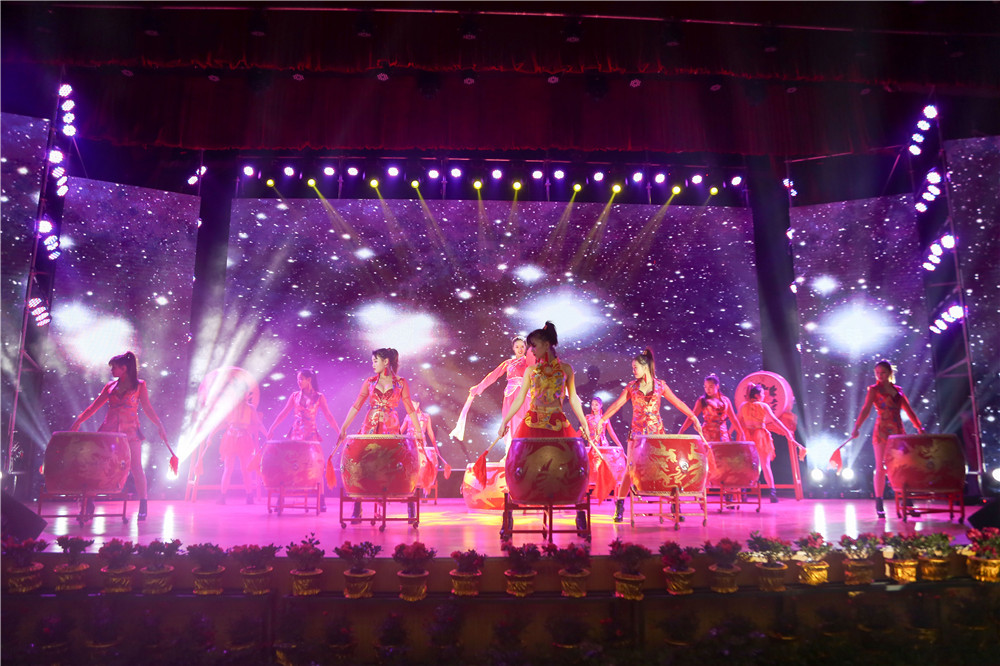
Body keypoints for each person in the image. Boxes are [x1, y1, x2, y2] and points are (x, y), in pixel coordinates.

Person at [498, 322, 594, 531]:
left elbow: (573, 398)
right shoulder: (531, 371)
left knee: (568, 465)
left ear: (547, 344)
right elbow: (520, 398)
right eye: (530, 346)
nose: (531, 350)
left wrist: (585, 424)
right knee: (523, 465)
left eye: (534, 345)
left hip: (557, 422)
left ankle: (578, 510)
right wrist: (505, 421)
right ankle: (512, 509)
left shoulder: (565, 369)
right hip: (534, 422)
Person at [599, 348, 704, 522]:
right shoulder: (632, 387)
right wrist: (602, 420)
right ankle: (620, 505)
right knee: (630, 470)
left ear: (645, 367)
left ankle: (674, 505)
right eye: (633, 368)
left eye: (635, 367)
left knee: (667, 469)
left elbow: (677, 402)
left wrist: (693, 417)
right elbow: (617, 404)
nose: (633, 371)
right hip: (637, 435)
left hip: (656, 435)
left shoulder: (660, 385)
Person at [70, 351, 170, 520]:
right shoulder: (110, 387)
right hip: (108, 432)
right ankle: (89, 502)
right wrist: (78, 421)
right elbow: (93, 407)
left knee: (136, 467)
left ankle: (143, 504)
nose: (112, 370)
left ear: (124, 368)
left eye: (114, 367)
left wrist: (159, 424)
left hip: (130, 432)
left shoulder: (139, 386)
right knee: (98, 466)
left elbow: (147, 408)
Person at [337, 348, 424, 521]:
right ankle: (358, 505)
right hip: (370, 425)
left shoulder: (401, 383)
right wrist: (344, 427)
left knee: (396, 461)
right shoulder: (369, 382)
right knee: (363, 461)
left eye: (375, 361)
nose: (373, 364)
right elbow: (356, 405)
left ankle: (409, 503)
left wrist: (419, 431)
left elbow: (409, 408)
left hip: (391, 426)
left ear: (386, 362)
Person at [850, 359, 924, 518]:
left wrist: (919, 426)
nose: (880, 376)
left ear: (890, 373)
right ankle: (879, 502)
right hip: (882, 430)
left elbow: (908, 410)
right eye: (877, 373)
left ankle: (907, 501)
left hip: (897, 430)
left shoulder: (898, 390)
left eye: (883, 373)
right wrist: (857, 427)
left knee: (902, 466)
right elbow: (866, 409)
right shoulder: (874, 390)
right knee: (880, 466)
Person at [267, 369, 340, 511]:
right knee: (288, 466)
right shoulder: (294, 396)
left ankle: (321, 500)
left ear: (309, 380)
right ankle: (280, 498)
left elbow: (329, 416)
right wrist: (272, 428)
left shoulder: (319, 397)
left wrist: (339, 431)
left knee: (317, 467)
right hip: (295, 436)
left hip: (311, 437)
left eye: (301, 379)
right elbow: (283, 413)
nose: (298, 382)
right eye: (298, 379)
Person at [736, 383, 804, 503]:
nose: (764, 396)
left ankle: (744, 492)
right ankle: (772, 493)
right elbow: (775, 420)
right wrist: (786, 431)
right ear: (757, 395)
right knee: (765, 465)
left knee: (747, 465)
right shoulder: (763, 406)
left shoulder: (743, 406)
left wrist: (729, 433)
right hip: (760, 436)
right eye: (762, 393)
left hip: (748, 437)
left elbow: (737, 421)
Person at [468, 336, 530, 452]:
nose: (520, 349)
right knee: (509, 421)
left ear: (526, 348)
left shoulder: (530, 362)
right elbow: (493, 376)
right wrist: (479, 387)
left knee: (525, 421)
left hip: (525, 396)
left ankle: (526, 451)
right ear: (513, 348)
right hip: (510, 396)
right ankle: (511, 451)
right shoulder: (508, 363)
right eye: (517, 347)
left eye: (522, 346)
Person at [211, 385, 267, 505]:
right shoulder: (230, 407)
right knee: (228, 468)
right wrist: (211, 435)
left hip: (244, 438)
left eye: (245, 393)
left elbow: (258, 424)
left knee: (246, 469)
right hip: (230, 438)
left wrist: (267, 434)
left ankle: (249, 495)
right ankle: (223, 495)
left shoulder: (250, 408)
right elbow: (220, 423)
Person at [401, 397, 451, 501]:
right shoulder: (408, 416)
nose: (411, 406)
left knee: (423, 466)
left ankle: (424, 489)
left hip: (421, 443)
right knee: (411, 467)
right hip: (410, 444)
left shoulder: (426, 416)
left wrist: (434, 444)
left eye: (413, 403)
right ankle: (409, 491)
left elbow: (430, 432)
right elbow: (401, 430)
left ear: (418, 403)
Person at [679, 374, 745, 442]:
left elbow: (733, 418)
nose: (707, 389)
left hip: (723, 434)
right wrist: (682, 430)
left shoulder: (726, 400)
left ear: (717, 386)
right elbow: (692, 417)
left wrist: (741, 433)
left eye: (711, 386)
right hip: (708, 435)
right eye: (705, 387)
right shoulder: (702, 401)